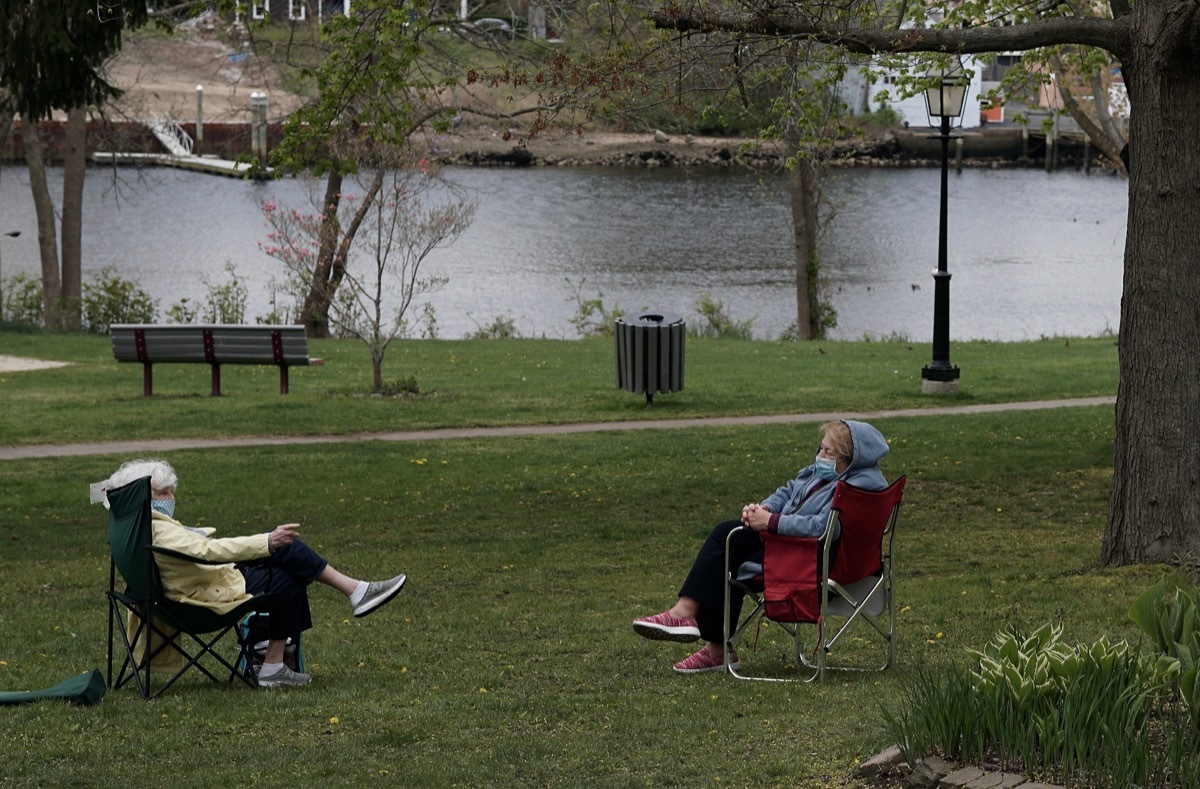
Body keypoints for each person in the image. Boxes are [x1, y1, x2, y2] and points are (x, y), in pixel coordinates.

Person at [95, 458, 407, 688]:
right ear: (148, 495)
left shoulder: (132, 526)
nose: (172, 499)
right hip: (199, 598)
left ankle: (351, 596)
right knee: (286, 567)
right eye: (165, 493)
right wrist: (266, 542)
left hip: (181, 588)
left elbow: (189, 547)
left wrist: (199, 535)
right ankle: (351, 595)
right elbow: (205, 553)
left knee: (287, 557)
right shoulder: (157, 530)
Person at [632, 419, 889, 674]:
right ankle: (694, 625)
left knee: (729, 549)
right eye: (820, 448)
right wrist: (764, 508)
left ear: (849, 459)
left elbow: (823, 528)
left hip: (812, 564)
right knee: (729, 537)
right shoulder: (827, 472)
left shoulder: (857, 487)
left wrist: (772, 522)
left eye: (827, 451)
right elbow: (788, 491)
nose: (820, 455)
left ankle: (712, 643)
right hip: (796, 549)